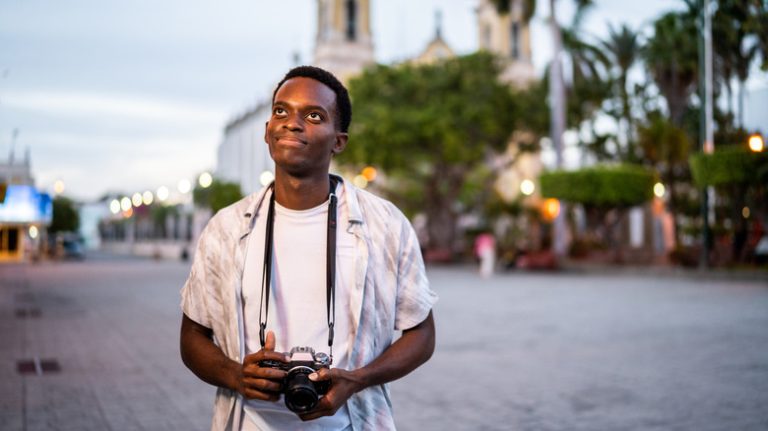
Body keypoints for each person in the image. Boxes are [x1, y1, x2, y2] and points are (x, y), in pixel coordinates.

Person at [179, 65, 438, 431]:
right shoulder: (226, 228)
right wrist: (236, 375)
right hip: (245, 423)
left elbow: (422, 334)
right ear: (267, 132)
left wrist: (358, 378)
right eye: (281, 111)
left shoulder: (386, 224)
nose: (292, 123)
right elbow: (192, 336)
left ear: (338, 140)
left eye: (313, 115)